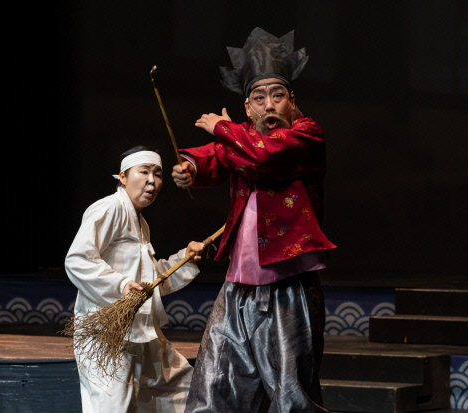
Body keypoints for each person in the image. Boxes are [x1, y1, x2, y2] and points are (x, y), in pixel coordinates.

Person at [171, 28, 337, 412]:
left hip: (287, 282)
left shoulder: (306, 135)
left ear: (292, 101)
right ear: (248, 108)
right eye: (259, 98)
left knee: (290, 389)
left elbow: (265, 155)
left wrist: (222, 128)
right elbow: (219, 156)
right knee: (216, 379)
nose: (269, 105)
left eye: (277, 95)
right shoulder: (243, 137)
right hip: (238, 285)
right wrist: (191, 168)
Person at [65, 146, 205, 413]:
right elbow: (78, 259)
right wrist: (120, 284)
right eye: (144, 172)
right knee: (112, 407)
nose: (152, 181)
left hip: (139, 330)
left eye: (158, 174)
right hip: (107, 331)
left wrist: (184, 259)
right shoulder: (110, 208)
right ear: (123, 176)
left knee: (180, 388)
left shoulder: (140, 222)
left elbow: (149, 280)